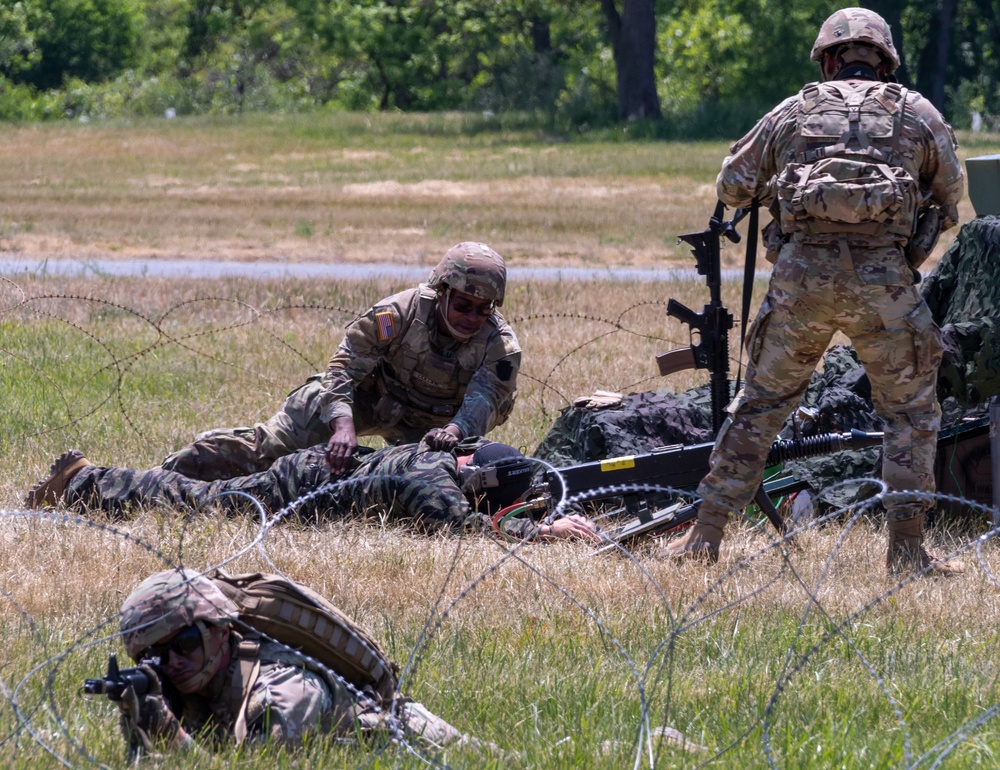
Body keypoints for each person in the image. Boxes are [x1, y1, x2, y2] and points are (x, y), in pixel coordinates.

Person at [658, 8, 965, 576]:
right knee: (910, 413)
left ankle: (704, 537)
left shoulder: (793, 111)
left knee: (762, 405)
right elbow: (951, 195)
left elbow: (731, 186)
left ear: (827, 59)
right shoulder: (917, 113)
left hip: (802, 281)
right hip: (884, 285)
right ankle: (907, 550)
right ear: (886, 60)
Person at [160, 242, 521, 480]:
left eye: (482, 309)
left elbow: (484, 400)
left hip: (437, 424)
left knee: (448, 480)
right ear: (441, 293)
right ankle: (179, 470)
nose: (470, 317)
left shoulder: (499, 344)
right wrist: (343, 426)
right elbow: (344, 369)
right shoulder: (396, 314)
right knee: (271, 448)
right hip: (367, 396)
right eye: (462, 305)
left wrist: (452, 434)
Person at [111, 567, 479, 756]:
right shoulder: (189, 685)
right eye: (154, 654)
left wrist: (172, 738)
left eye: (185, 642)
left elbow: (262, 763)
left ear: (222, 630)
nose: (170, 661)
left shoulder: (285, 686)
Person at [26, 439, 600, 543]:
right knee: (197, 502)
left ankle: (89, 482)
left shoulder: (440, 458)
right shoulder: (432, 479)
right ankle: (83, 483)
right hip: (299, 486)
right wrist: (540, 531)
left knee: (202, 495)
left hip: (315, 479)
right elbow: (458, 527)